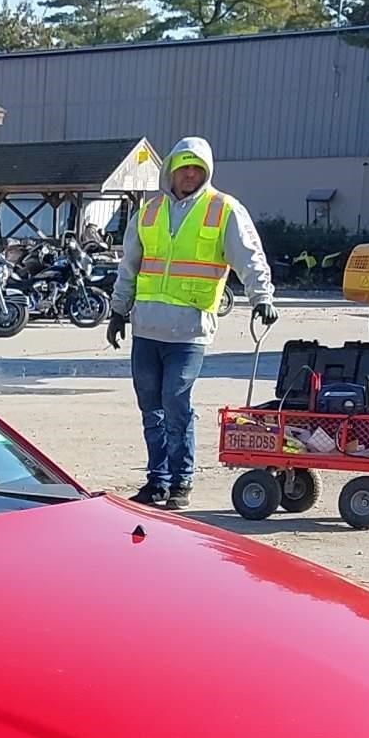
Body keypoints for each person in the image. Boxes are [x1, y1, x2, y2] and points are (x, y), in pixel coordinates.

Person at [107, 138, 277, 509]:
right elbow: (129, 266)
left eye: (197, 168)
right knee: (149, 405)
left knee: (175, 401)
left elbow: (249, 257)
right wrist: (119, 310)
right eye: (184, 167)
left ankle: (181, 479)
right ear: (170, 169)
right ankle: (158, 481)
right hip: (147, 328)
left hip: (190, 331)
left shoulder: (223, 210)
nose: (189, 174)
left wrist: (261, 297)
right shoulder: (149, 212)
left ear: (206, 171)